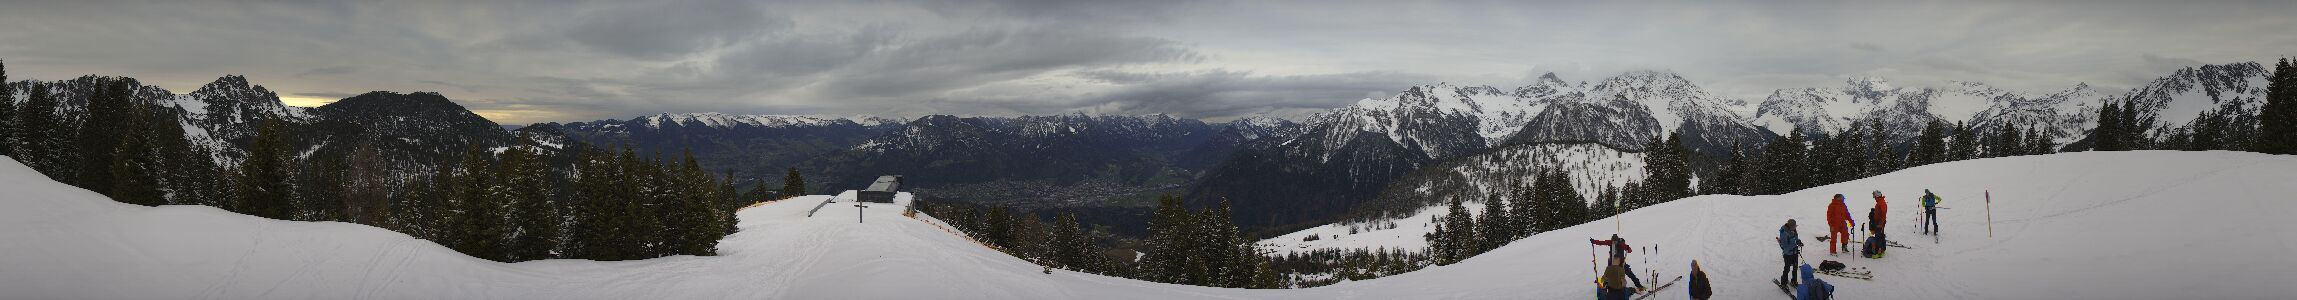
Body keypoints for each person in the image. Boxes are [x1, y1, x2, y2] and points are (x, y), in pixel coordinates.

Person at [1776, 219, 1801, 286]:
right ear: (1790, 226)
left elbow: (1796, 238)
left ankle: (1794, 281)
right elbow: (1785, 246)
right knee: (1787, 269)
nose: (1795, 228)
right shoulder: (1784, 233)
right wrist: (1793, 248)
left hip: (1794, 252)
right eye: (1794, 227)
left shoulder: (1793, 229)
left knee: (1795, 267)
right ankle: (1784, 283)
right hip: (1788, 254)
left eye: (1795, 227)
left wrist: (1798, 241)